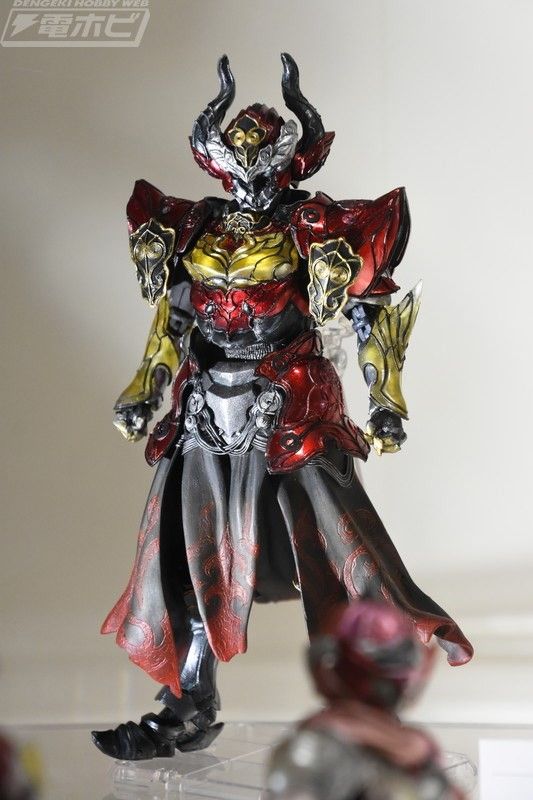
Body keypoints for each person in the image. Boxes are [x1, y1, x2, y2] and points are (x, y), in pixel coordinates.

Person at [92, 54, 472, 761]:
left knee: (348, 561)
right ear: (215, 159)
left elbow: (368, 313)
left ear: (289, 160)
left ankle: (368, 711)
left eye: (263, 159)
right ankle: (188, 705)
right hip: (204, 408)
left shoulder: (315, 225)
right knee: (186, 562)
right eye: (238, 158)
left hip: (290, 407)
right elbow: (175, 315)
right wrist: (145, 385)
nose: (250, 174)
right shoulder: (195, 225)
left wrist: (385, 398)